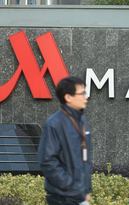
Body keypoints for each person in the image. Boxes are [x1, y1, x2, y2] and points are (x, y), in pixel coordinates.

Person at [38, 76, 92, 205]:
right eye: (82, 93)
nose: (86, 97)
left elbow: (84, 159)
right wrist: (70, 184)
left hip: (79, 194)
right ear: (68, 97)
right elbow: (47, 160)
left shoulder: (82, 121)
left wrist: (86, 188)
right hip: (62, 197)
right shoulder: (54, 123)